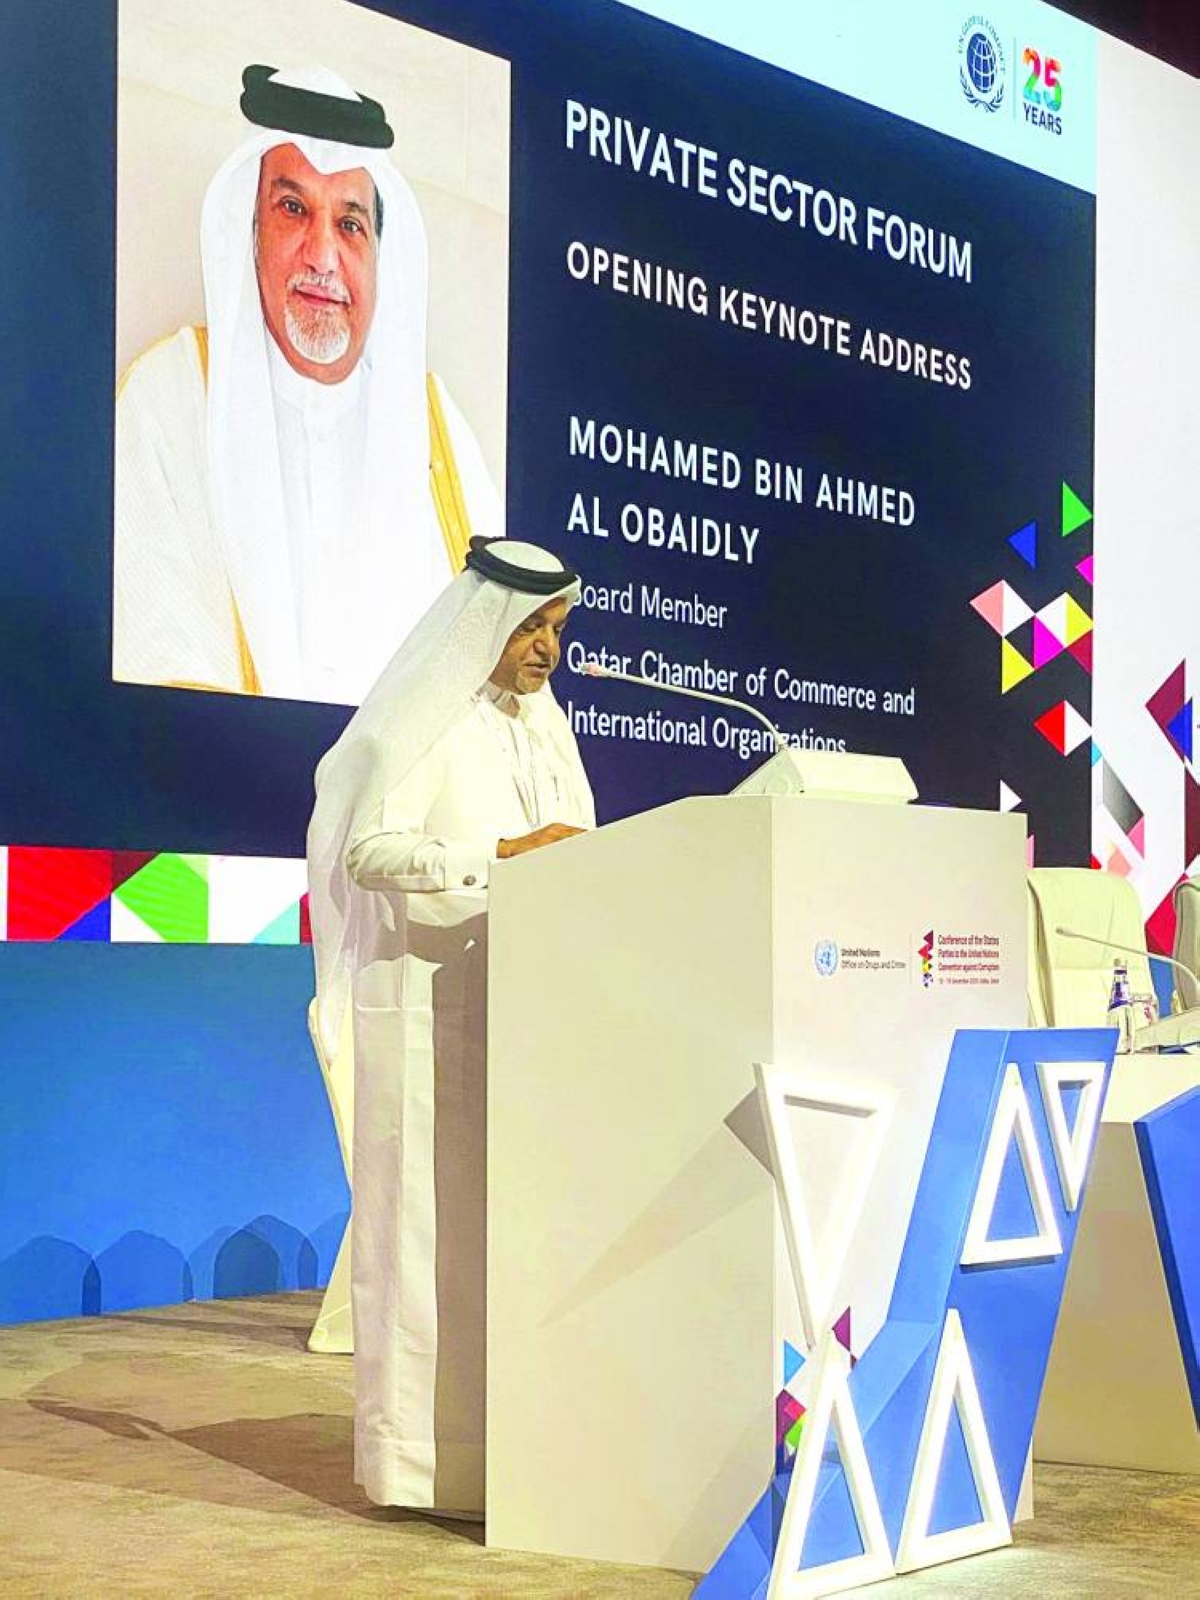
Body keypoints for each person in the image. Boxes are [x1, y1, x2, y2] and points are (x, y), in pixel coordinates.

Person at [306, 537, 595, 1516]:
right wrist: (498, 855)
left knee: (506, 1241)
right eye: (529, 626)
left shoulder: (547, 729)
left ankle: (510, 1454)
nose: (545, 646)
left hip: (531, 1012)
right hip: (427, 1015)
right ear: (483, 623)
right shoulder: (417, 726)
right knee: (429, 1240)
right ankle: (422, 1468)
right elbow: (369, 850)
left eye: (556, 627)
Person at [114, 63, 500, 705]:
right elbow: (154, 658)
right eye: (293, 209)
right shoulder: (172, 396)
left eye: (350, 224)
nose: (324, 257)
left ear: (380, 256)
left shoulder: (438, 432)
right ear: (253, 234)